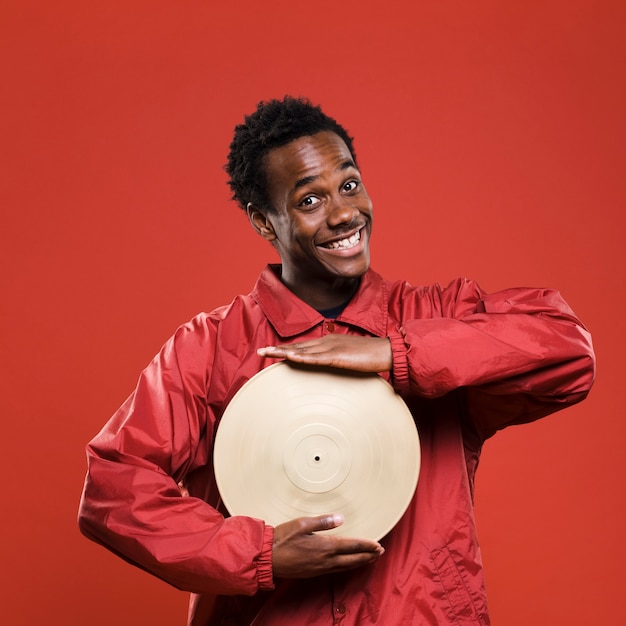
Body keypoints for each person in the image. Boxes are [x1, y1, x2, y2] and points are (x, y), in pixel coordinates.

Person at [78, 96, 595, 625]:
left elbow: (566, 349)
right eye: (309, 200)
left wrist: (398, 354)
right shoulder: (210, 347)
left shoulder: (435, 314)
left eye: (349, 184)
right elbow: (112, 488)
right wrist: (257, 553)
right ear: (264, 222)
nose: (345, 213)